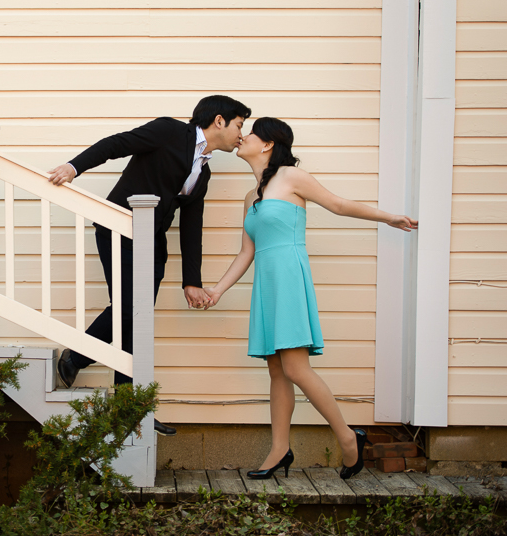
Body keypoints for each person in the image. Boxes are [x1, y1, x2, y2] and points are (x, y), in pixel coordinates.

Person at [203, 117, 417, 479]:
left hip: (288, 275)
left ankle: (349, 438)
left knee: (296, 367)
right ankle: (279, 450)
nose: (242, 137)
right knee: (277, 369)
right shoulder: (250, 197)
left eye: (249, 133)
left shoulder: (291, 176)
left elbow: (338, 204)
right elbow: (246, 253)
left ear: (268, 144)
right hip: (266, 283)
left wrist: (388, 217)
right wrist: (217, 291)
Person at [48, 95, 252, 436]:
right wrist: (73, 167)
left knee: (135, 323)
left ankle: (128, 408)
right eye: (239, 125)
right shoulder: (169, 130)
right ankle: (78, 357)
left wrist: (191, 280)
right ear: (220, 120)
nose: (241, 134)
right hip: (118, 228)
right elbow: (117, 144)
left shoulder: (203, 169)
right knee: (129, 310)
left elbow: (191, 225)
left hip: (153, 244)